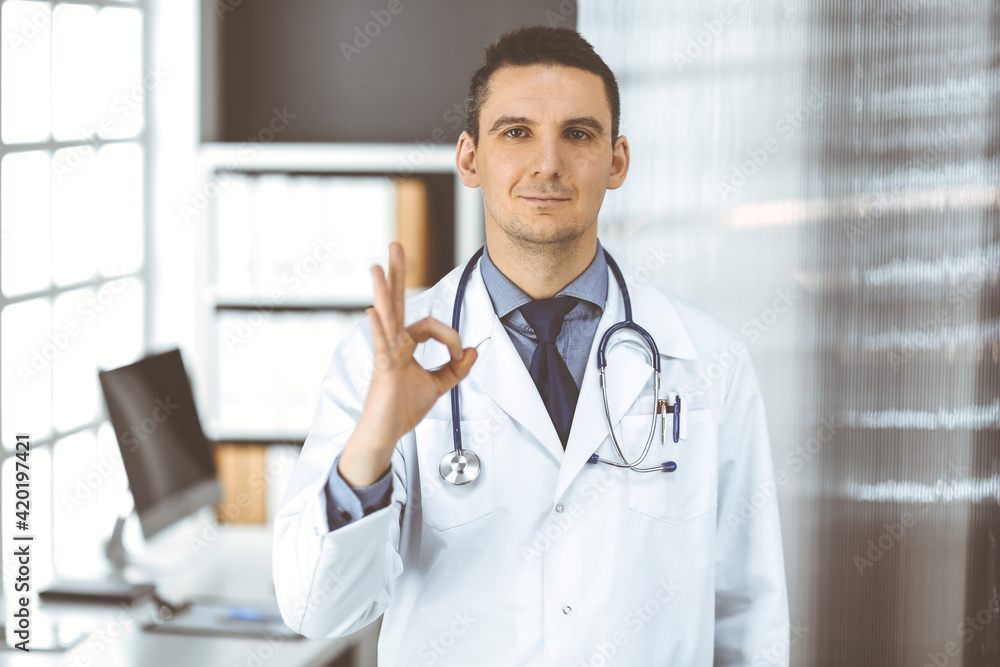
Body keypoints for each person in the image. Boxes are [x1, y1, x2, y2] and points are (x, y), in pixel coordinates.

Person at [273, 25, 789, 666]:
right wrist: (374, 441)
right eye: (516, 132)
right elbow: (318, 609)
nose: (547, 163)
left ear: (617, 161)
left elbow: (749, 612)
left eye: (578, 134)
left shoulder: (709, 361)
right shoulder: (383, 359)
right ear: (469, 159)